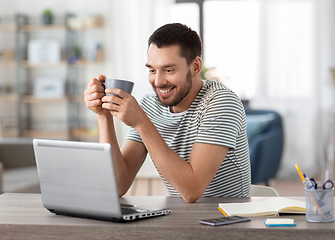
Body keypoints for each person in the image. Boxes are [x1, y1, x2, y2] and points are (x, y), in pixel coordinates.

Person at [84, 23, 251, 203]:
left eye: (169, 70)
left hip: (227, 221)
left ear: (195, 67)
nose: (158, 81)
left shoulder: (221, 103)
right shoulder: (150, 106)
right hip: (180, 219)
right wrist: (103, 115)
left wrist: (141, 123)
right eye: (152, 70)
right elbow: (117, 184)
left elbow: (192, 190)